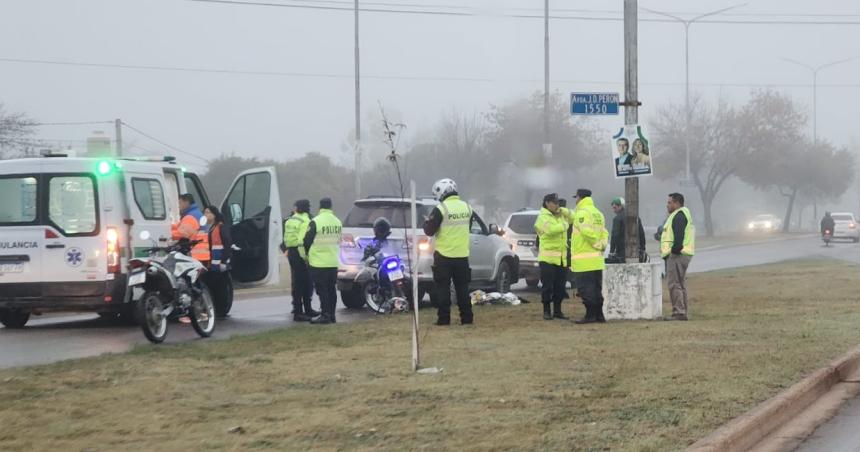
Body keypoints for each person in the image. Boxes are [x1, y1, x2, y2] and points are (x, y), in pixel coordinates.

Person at [423, 178, 474, 326]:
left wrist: (426, 222)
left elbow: (429, 231)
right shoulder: (467, 207)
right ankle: (467, 318)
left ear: (441, 193)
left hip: (444, 257)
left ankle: (444, 319)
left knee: (443, 289)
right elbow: (468, 227)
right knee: (463, 290)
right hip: (462, 256)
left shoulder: (441, 209)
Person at [562, 189, 609, 324]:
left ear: (580, 198)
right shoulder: (598, 213)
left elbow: (586, 232)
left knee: (585, 289)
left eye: (576, 197)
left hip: (584, 261)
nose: (575, 200)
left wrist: (597, 244)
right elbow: (604, 232)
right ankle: (599, 315)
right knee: (596, 288)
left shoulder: (582, 213)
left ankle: (590, 315)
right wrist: (602, 245)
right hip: (596, 260)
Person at [304, 198, 343, 325]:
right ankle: (332, 315)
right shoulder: (338, 222)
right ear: (331, 207)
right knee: (332, 289)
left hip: (318, 262)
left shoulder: (315, 221)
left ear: (320, 207)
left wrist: (307, 255)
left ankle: (325, 315)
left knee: (322, 289)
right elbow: (339, 240)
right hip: (333, 262)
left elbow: (307, 241)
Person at [534, 193, 569, 320]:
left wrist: (564, 211)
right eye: (555, 203)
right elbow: (550, 230)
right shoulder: (542, 217)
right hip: (547, 259)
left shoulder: (559, 215)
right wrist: (564, 225)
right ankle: (546, 311)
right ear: (547, 203)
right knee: (547, 286)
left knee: (560, 286)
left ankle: (558, 311)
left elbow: (573, 217)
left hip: (560, 258)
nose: (557, 205)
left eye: (558, 203)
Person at [661, 193, 696, 321]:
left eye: (670, 202)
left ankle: (679, 312)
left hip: (677, 255)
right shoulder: (682, 215)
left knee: (674, 284)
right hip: (684, 254)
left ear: (677, 203)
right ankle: (683, 311)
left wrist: (673, 251)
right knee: (680, 284)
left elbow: (678, 237)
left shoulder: (679, 216)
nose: (667, 205)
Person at [284, 199, 319, 322]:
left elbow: (286, 237)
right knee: (306, 282)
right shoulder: (306, 221)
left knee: (297, 283)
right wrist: (305, 258)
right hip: (300, 253)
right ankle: (303, 311)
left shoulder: (290, 219)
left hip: (291, 252)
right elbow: (301, 242)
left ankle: (299, 309)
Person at [204, 205, 233, 318]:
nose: (205, 215)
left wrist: (224, 261)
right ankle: (216, 310)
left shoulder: (221, 227)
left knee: (221, 288)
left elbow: (227, 244)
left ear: (214, 215)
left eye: (208, 212)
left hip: (220, 263)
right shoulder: (210, 228)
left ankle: (221, 311)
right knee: (213, 287)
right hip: (213, 264)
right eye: (205, 212)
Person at [173, 193, 210, 265]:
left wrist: (166, 234)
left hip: (197, 253)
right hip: (203, 253)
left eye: (180, 203)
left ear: (186, 202)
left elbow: (182, 233)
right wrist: (167, 226)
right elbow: (180, 226)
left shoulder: (191, 216)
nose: (179, 206)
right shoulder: (196, 213)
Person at [608, 197, 646, 263]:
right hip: (635, 252)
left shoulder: (617, 219)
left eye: (615, 207)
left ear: (621, 206)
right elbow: (641, 233)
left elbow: (615, 236)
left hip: (622, 252)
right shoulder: (635, 217)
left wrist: (611, 251)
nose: (614, 210)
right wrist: (643, 249)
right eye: (613, 208)